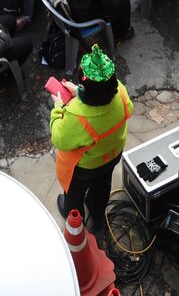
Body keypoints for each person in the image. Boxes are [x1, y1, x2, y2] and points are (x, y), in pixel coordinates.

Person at [49, 46, 130, 228]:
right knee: (102, 186)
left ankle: (75, 219)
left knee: (74, 195)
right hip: (112, 156)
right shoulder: (122, 93)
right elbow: (122, 106)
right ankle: (98, 213)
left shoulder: (77, 116)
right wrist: (79, 91)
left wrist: (58, 107)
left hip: (85, 168)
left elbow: (59, 138)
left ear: (85, 86)